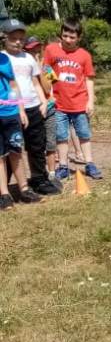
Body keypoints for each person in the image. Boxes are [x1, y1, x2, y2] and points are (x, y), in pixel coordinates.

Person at [0, 21, 60, 196]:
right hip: (11, 110)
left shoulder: (29, 58)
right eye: (13, 38)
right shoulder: (2, 58)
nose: (18, 42)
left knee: (36, 145)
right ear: (4, 38)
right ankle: (6, 187)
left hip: (33, 107)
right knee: (12, 148)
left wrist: (43, 102)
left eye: (21, 38)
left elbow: (35, 82)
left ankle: (39, 179)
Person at [43, 20, 103, 180]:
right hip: (59, 104)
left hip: (79, 104)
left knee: (84, 134)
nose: (68, 40)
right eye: (65, 36)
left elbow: (89, 79)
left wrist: (90, 101)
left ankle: (89, 164)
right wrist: (50, 92)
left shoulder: (84, 55)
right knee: (61, 136)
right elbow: (47, 69)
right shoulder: (51, 49)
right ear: (61, 34)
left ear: (79, 37)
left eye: (72, 37)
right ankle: (63, 166)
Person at [0, 46, 42, 210]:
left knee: (16, 151)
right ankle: (4, 195)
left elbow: (13, 84)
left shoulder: (4, 59)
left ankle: (24, 189)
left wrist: (21, 109)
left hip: (11, 113)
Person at [24, 36, 59, 181]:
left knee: (50, 143)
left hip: (49, 109)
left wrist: (39, 69)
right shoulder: (23, 68)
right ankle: (37, 174)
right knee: (34, 145)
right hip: (32, 110)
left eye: (37, 49)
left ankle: (52, 173)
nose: (35, 52)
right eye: (31, 50)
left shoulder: (46, 67)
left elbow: (48, 87)